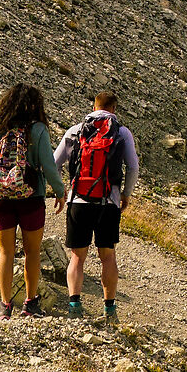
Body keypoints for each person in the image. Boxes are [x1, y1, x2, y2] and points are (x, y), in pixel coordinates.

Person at [0, 83, 66, 319]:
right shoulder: (37, 130)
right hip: (31, 197)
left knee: (6, 251)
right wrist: (59, 191)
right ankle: (30, 303)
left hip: (0, 198)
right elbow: (48, 166)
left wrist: (1, 177)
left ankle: (5, 306)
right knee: (32, 252)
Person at [56, 87, 138, 325]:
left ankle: (74, 305)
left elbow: (55, 161)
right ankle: (109, 310)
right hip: (108, 202)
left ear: (94, 107)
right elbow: (133, 167)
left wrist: (61, 189)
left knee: (77, 257)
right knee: (108, 256)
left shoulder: (76, 131)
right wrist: (125, 194)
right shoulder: (122, 133)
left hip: (78, 200)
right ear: (113, 109)